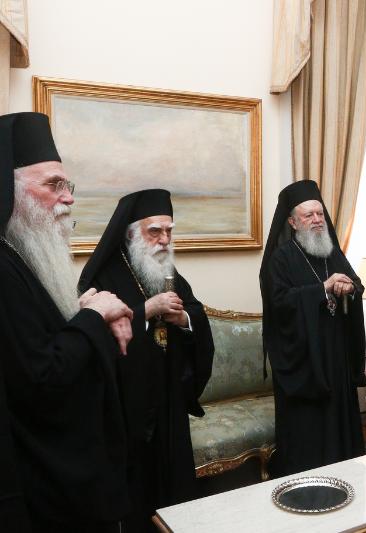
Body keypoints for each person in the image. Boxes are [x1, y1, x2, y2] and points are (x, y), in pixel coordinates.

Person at [0, 112, 133, 532]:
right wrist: (94, 316)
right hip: (40, 483)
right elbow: (40, 376)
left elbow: (32, 334)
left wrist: (80, 309)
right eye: (53, 184)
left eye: (67, 185)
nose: (68, 198)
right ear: (9, 190)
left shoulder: (21, 252)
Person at [78, 189, 214, 532]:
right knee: (138, 497)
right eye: (155, 231)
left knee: (176, 491)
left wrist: (184, 319)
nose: (164, 240)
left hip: (168, 398)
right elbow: (94, 334)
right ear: (130, 234)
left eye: (169, 231)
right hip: (129, 407)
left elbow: (195, 312)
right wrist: (147, 310)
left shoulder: (166, 270)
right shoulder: (102, 277)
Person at [259, 180, 366, 477]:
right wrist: (322, 289)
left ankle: (347, 481)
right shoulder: (281, 259)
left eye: (320, 213)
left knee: (341, 433)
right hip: (305, 363)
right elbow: (279, 303)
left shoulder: (332, 253)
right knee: (308, 438)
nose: (317, 220)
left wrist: (349, 289)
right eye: (309, 215)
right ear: (293, 222)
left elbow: (357, 284)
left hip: (336, 357)